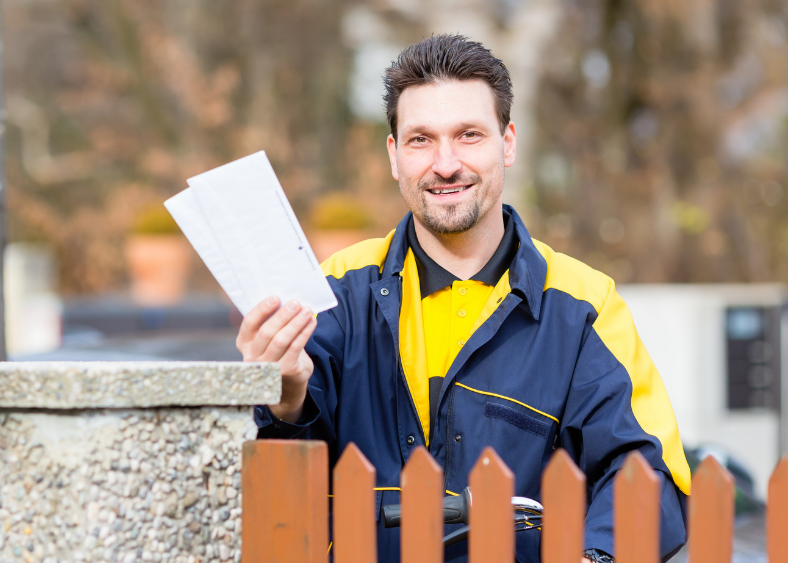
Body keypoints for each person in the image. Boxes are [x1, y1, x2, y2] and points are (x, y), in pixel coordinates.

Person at [238, 34, 689, 563]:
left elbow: (648, 473)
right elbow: (278, 492)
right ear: (394, 155)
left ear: (508, 142)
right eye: (421, 140)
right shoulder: (335, 287)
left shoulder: (585, 304)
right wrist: (284, 396)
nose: (446, 164)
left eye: (469, 135)